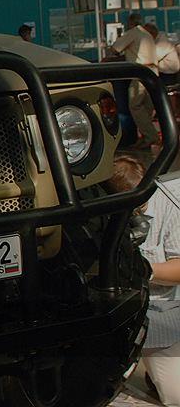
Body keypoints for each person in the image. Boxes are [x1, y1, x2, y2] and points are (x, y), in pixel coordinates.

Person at [107, 156, 180, 406]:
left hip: (161, 315)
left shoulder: (171, 204)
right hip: (114, 316)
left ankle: (155, 372)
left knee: (177, 397)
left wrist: (145, 269)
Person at [112, 13, 160, 149]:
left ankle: (151, 136)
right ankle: (146, 136)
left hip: (140, 73)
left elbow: (115, 48)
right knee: (146, 107)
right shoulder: (147, 34)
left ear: (130, 23)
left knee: (135, 105)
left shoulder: (133, 32)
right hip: (153, 73)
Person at [147, 22, 180, 87]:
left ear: (151, 34)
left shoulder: (163, 41)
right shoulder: (157, 39)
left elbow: (155, 57)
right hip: (164, 73)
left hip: (168, 74)